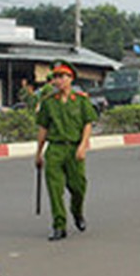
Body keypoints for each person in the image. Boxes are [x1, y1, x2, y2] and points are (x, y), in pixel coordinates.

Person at [35, 60, 97, 241]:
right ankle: (59, 225)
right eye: (55, 77)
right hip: (55, 149)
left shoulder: (81, 100)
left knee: (78, 187)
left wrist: (83, 145)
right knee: (55, 190)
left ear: (71, 78)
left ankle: (77, 212)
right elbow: (43, 129)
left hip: (74, 148)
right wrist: (38, 153)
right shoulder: (48, 103)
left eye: (62, 76)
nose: (58, 80)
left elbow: (88, 124)